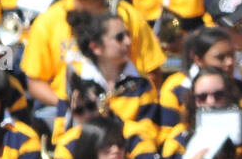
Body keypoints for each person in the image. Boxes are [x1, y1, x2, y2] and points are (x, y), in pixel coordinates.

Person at [22, 0, 163, 112]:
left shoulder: (127, 15)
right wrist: (69, 106)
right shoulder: (48, 21)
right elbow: (35, 82)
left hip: (127, 113)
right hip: (72, 115)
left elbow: (152, 71)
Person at [52, 10, 163, 146]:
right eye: (119, 38)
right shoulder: (75, 80)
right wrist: (81, 121)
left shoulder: (142, 85)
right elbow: (59, 139)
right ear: (96, 47)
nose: (128, 42)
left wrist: (108, 120)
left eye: (128, 35)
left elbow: (149, 135)